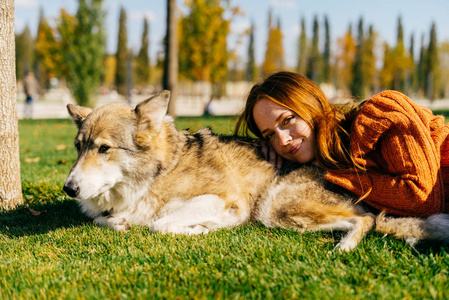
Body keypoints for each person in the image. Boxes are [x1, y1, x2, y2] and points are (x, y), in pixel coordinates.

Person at [235, 71, 449, 217]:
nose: (282, 140)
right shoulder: (328, 159)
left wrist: (332, 174)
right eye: (270, 135)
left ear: (311, 105)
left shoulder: (383, 114)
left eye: (287, 120)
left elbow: (422, 199)